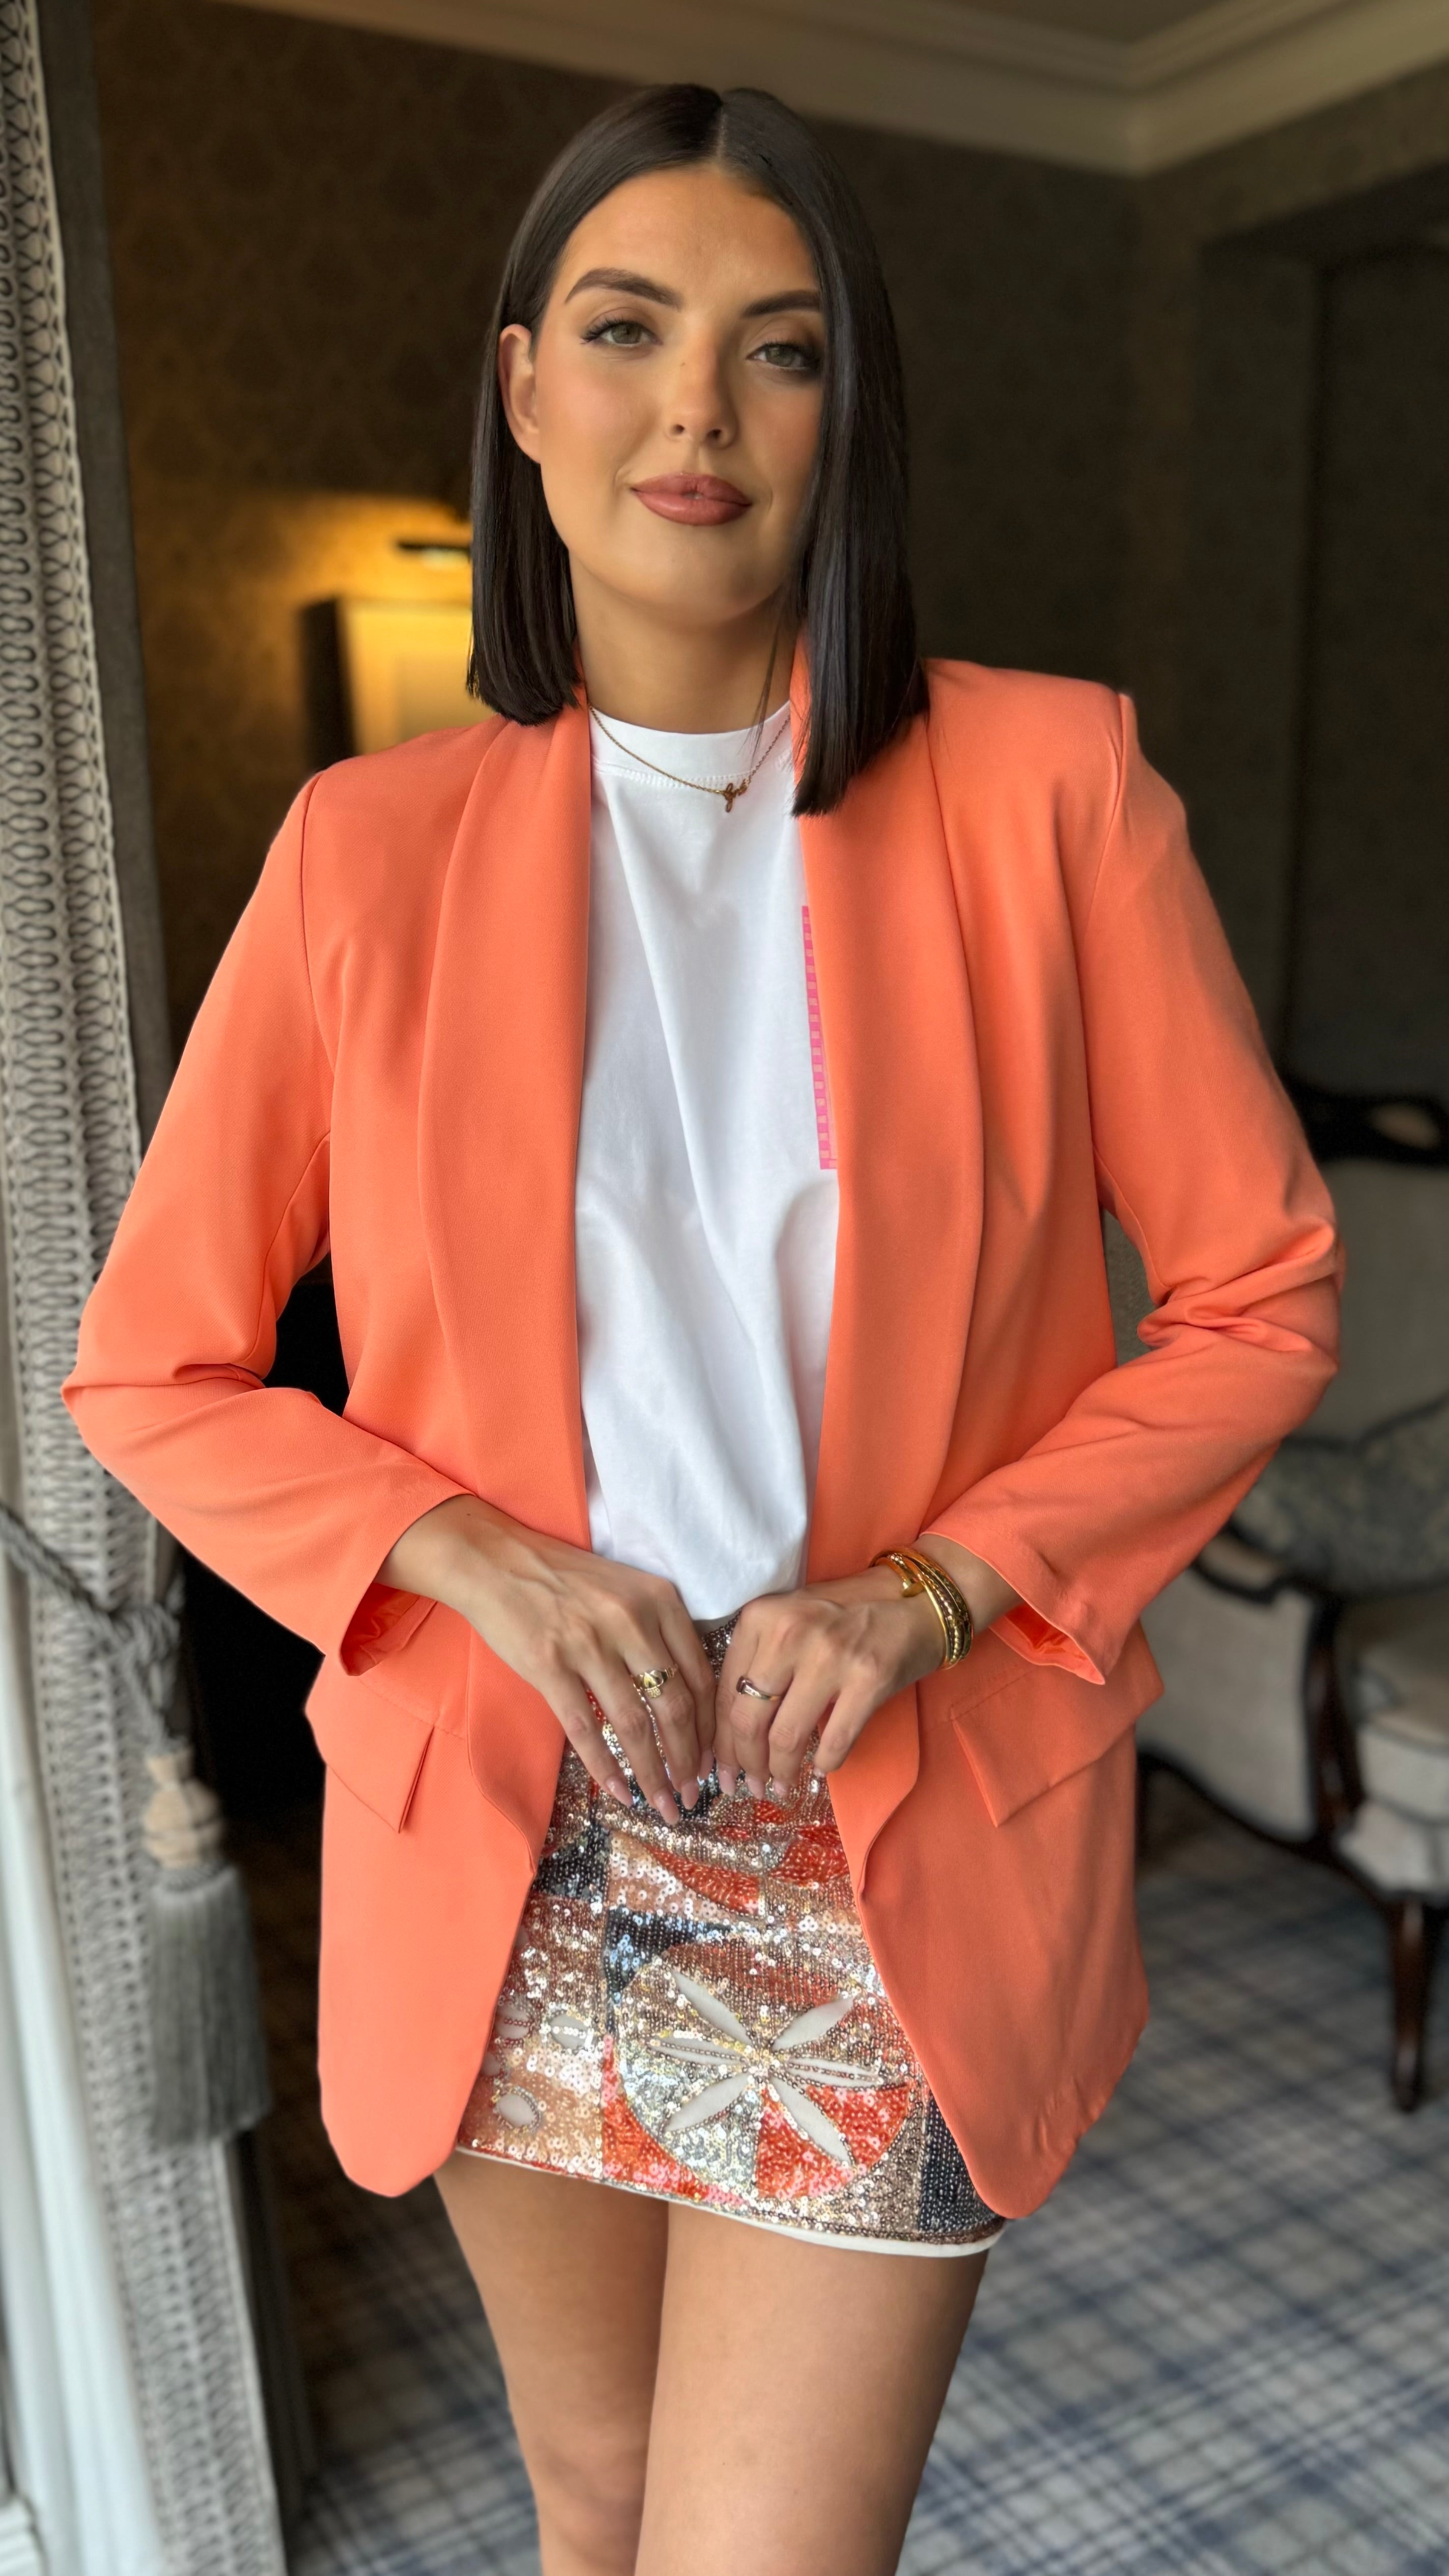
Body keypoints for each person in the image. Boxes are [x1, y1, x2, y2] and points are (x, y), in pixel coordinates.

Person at [63, 82, 1340, 2576]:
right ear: (526, 390)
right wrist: (465, 1553)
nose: (698, 411)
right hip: (507, 1835)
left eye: (779, 347)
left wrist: (938, 1587)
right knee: (601, 2500)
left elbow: (1257, 1291)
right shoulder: (366, 855)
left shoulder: (1050, 789)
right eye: (630, 332)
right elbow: (152, 1365)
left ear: (844, 416)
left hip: (893, 1825)